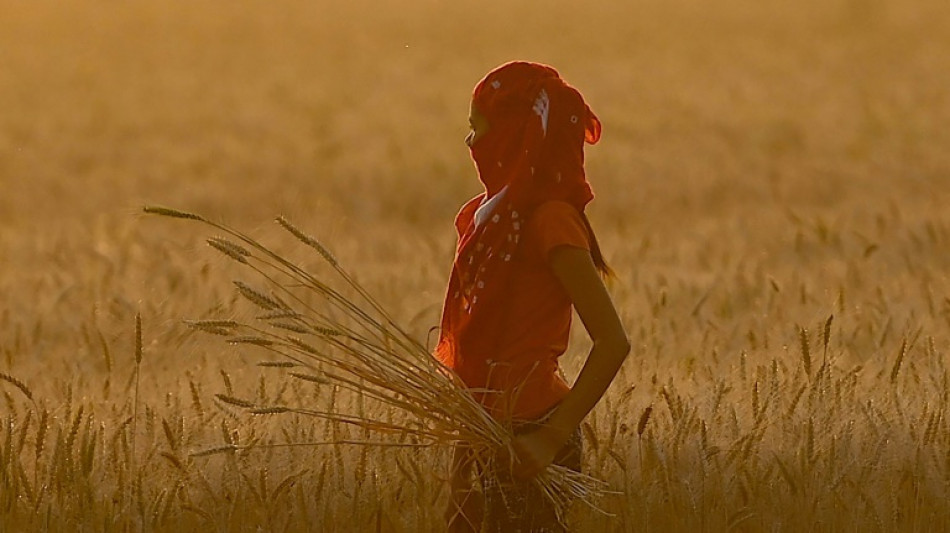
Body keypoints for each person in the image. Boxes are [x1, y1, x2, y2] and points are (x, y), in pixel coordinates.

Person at [435, 61, 630, 532]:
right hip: (482, 432)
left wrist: (551, 437)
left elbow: (613, 343)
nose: (471, 143)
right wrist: (464, 460)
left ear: (514, 135)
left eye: (479, 128)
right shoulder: (482, 220)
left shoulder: (551, 222)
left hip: (532, 434)